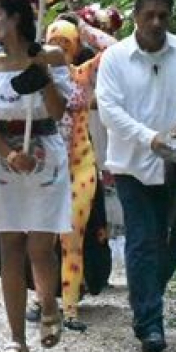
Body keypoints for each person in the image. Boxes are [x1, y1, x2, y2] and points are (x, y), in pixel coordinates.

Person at [96, 0, 176, 352]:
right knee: (143, 239)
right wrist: (150, 139)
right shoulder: (115, 58)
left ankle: (144, 294)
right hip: (132, 165)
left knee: (174, 240)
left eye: (163, 15)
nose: (156, 22)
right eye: (149, 15)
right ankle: (151, 324)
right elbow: (110, 111)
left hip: (175, 165)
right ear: (135, 16)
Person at [0, 0, 71, 352]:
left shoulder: (50, 57)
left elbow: (60, 112)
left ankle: (48, 305)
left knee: (39, 246)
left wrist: (41, 78)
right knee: (9, 246)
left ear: (15, 18)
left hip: (46, 154)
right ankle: (16, 339)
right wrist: (8, 154)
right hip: (2, 159)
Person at [41, 17, 117, 331]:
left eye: (66, 44)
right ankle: (43, 301)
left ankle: (69, 309)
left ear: (74, 49)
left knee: (72, 238)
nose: (59, 50)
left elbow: (116, 49)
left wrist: (85, 26)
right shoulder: (36, 77)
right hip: (46, 166)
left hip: (81, 165)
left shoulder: (84, 75)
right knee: (42, 240)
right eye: (53, 44)